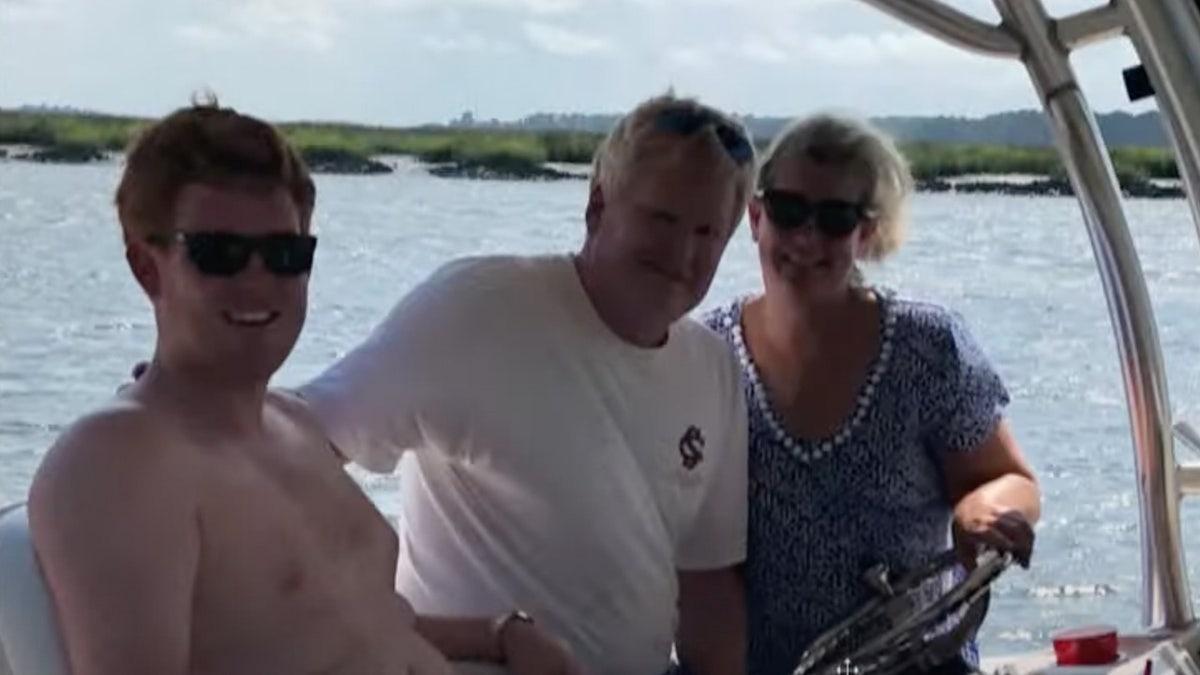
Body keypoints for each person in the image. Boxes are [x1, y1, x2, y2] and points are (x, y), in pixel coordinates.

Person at [28, 100, 579, 675]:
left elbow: (353, 627)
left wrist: (496, 634)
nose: (259, 281)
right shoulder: (118, 461)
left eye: (286, 254)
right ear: (148, 267)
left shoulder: (293, 424)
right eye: (221, 254)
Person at [293, 92, 757, 675]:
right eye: (661, 219)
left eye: (707, 232)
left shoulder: (712, 368)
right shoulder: (479, 309)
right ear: (597, 206)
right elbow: (288, 450)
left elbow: (708, 584)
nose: (681, 251)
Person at [700, 112, 1042, 674]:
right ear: (756, 217)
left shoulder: (926, 348)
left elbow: (1012, 481)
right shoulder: (705, 353)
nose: (808, 237)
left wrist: (982, 513)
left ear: (868, 234)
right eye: (789, 212)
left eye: (835, 219)